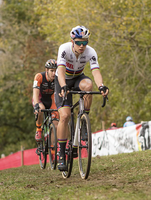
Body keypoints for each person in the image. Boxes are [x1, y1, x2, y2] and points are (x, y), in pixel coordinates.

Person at [55, 25, 109, 171]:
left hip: (78, 77)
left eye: (85, 43)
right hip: (63, 80)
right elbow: (60, 71)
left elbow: (95, 71)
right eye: (79, 42)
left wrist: (102, 86)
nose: (82, 46)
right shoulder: (64, 49)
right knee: (65, 116)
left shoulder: (91, 52)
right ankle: (61, 152)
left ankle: (84, 120)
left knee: (89, 85)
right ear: (72, 41)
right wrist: (63, 86)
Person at [32, 59, 59, 142]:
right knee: (40, 109)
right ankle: (38, 129)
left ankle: (53, 151)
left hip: (51, 101)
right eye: (52, 71)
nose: (54, 73)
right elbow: (35, 93)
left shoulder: (58, 78)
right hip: (40, 99)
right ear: (46, 70)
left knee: (56, 125)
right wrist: (36, 105)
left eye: (55, 71)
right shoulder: (39, 77)